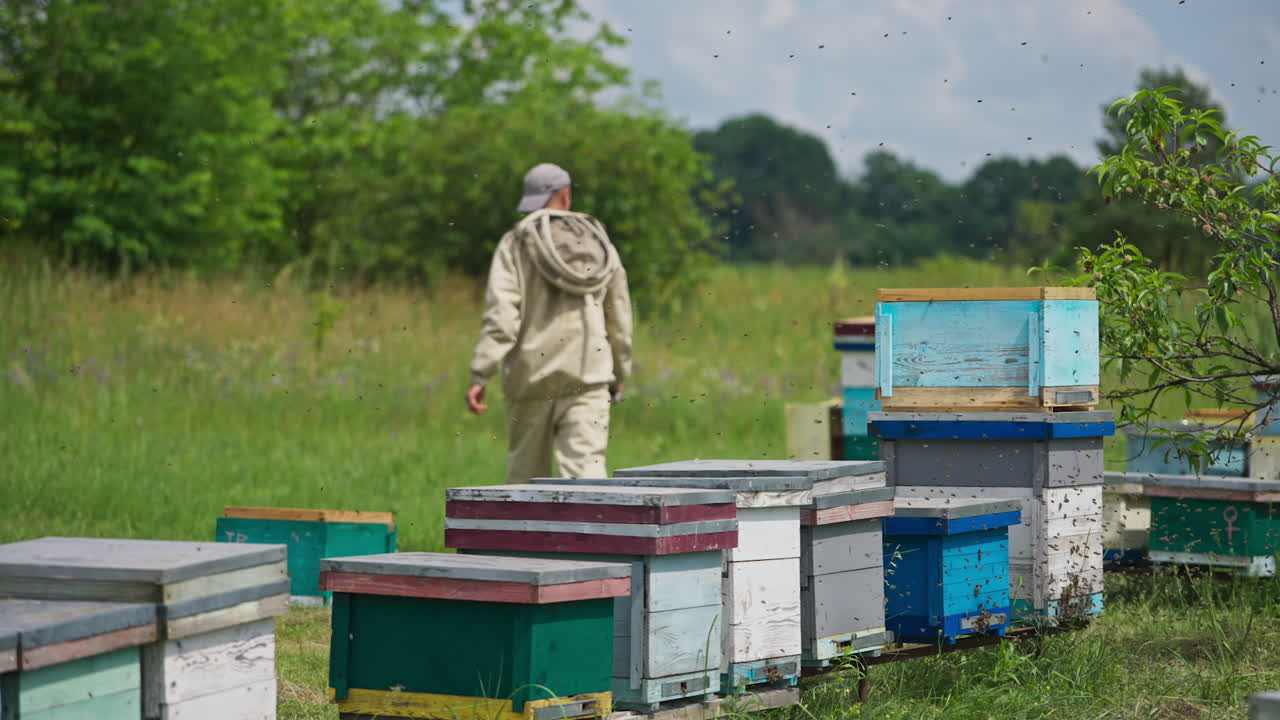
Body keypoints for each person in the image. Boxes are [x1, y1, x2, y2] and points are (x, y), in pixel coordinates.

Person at [466, 162, 633, 483]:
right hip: (589, 374)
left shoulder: (516, 242)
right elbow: (620, 316)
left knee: (525, 480)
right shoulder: (600, 244)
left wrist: (480, 372)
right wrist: (619, 371)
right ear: (566, 195)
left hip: (531, 377)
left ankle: (521, 536)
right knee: (587, 478)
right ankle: (593, 535)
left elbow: (502, 316)